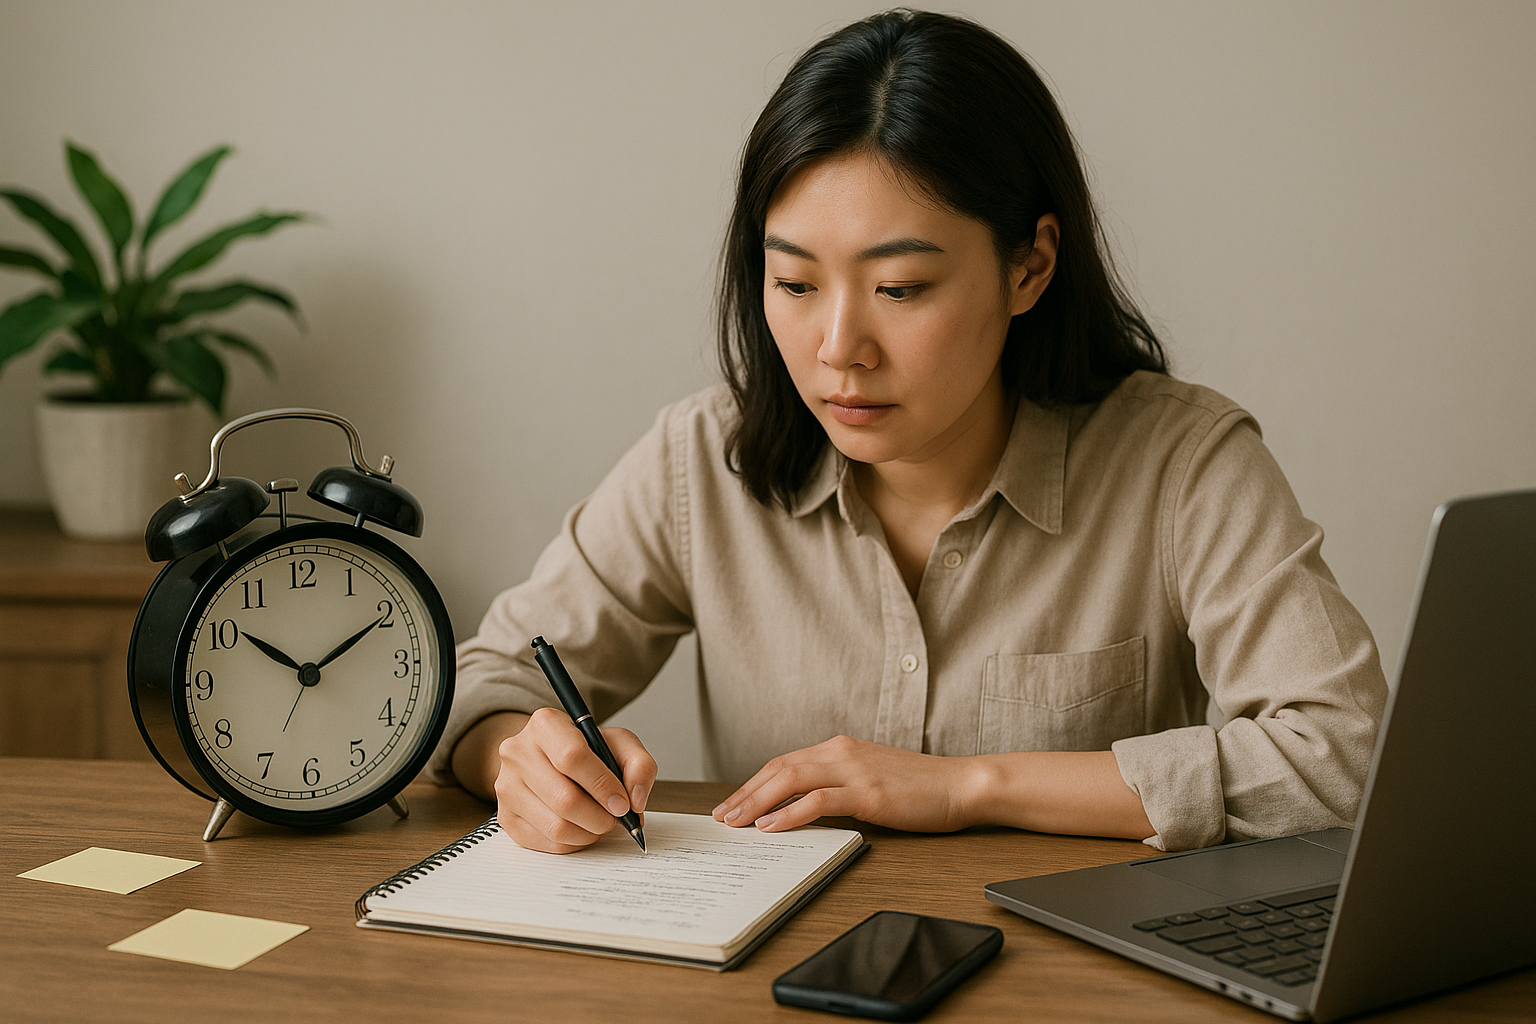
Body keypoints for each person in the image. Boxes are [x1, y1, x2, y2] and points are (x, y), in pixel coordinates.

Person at [425, 9, 1387, 855]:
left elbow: (1342, 756)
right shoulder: (701, 461)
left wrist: (968, 787)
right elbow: (478, 685)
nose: (840, 348)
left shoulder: (1183, 464)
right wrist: (520, 758)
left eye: (901, 289)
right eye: (795, 284)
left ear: (1029, 267)